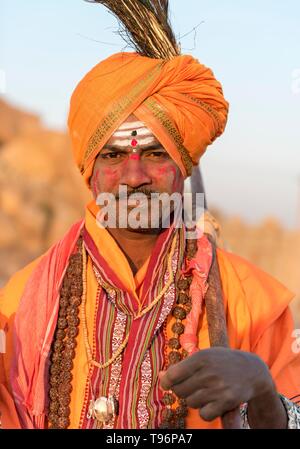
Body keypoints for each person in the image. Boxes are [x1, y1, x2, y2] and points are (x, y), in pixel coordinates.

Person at [1, 2, 300, 430]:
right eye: (114, 155)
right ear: (90, 173)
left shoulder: (251, 303)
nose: (134, 176)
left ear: (183, 165)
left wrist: (262, 389)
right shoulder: (21, 301)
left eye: (156, 154)